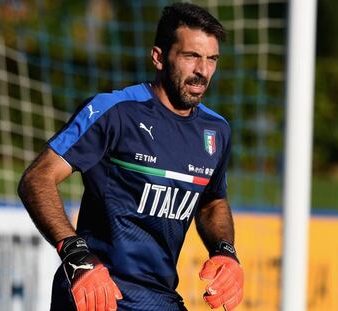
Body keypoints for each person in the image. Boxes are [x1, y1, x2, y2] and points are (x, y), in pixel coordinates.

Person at [18, 2, 243, 311]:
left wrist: (225, 251)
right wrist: (77, 257)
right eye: (191, 56)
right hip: (98, 293)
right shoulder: (115, 111)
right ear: (159, 57)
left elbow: (212, 201)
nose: (202, 71)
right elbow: (37, 178)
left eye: (211, 59)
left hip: (158, 297)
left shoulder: (216, 131)